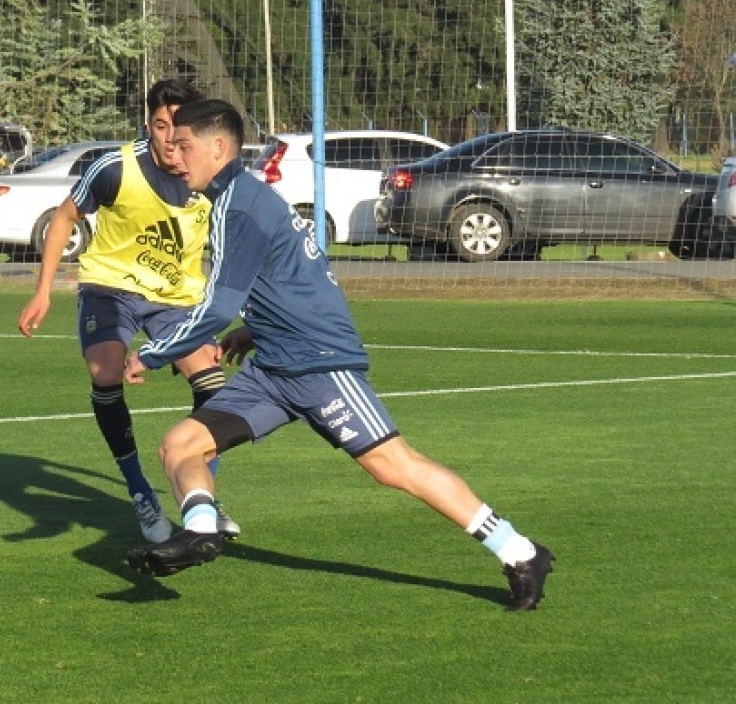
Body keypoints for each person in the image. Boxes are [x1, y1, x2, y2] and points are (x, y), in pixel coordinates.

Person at [123, 99, 554, 611]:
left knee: (393, 466)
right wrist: (255, 329)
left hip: (320, 363)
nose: (173, 155)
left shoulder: (238, 205)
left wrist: (153, 353)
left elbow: (216, 306)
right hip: (273, 369)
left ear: (218, 147)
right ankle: (199, 533)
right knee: (180, 445)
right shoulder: (240, 198)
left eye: (184, 145)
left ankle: (521, 552)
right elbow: (292, 276)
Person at [17, 79, 239, 545]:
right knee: (106, 372)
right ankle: (140, 491)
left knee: (214, 387)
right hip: (110, 287)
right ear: (148, 124)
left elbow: (239, 246)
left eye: (178, 128)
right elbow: (64, 217)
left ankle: (202, 494)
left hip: (177, 297)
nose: (169, 139)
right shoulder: (116, 167)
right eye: (160, 126)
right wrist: (43, 292)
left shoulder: (212, 175)